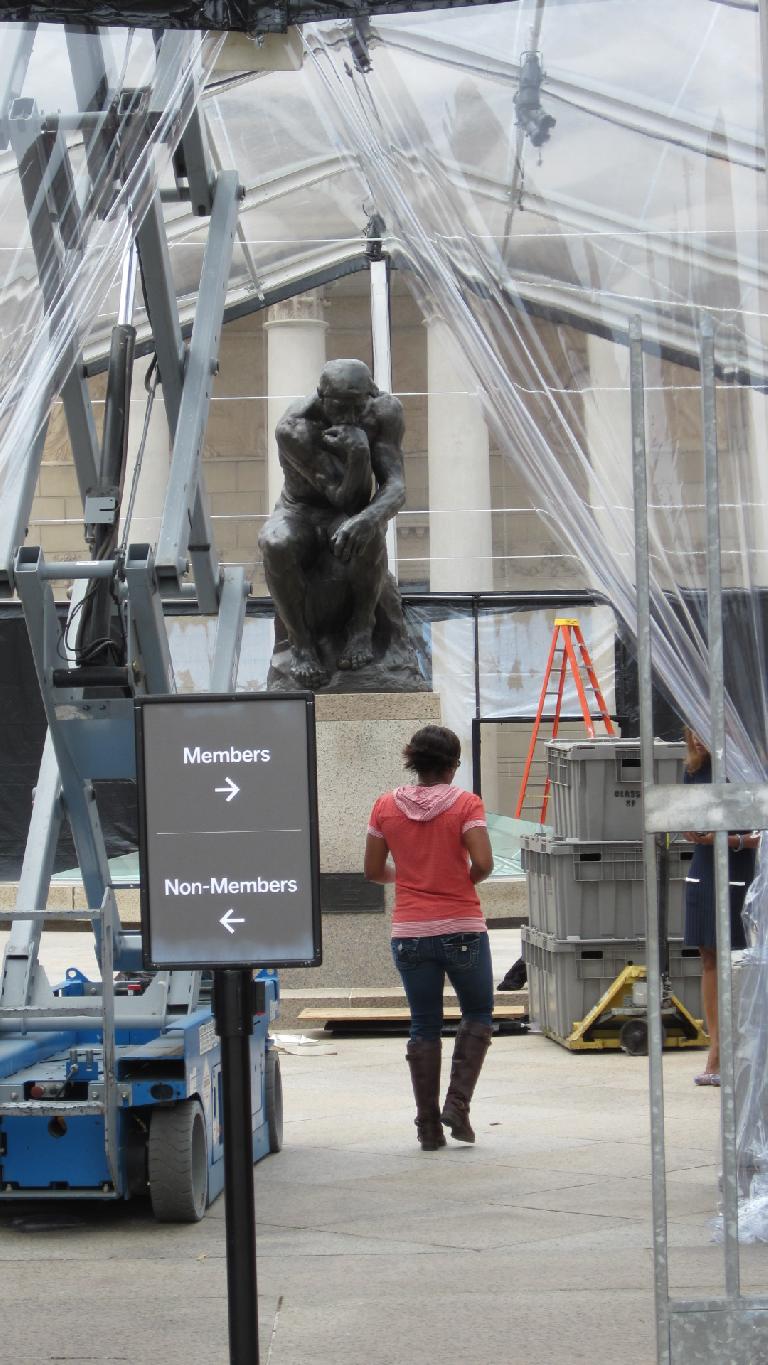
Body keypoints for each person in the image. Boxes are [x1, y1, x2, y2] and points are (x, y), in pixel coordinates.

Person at [364, 725, 495, 1151]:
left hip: (410, 931)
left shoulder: (385, 806)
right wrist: (459, 881)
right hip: (462, 926)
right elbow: (485, 862)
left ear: (413, 762)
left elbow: (371, 871)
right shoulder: (465, 803)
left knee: (424, 1024)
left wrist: (408, 878)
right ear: (453, 765)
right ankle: (457, 1105)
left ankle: (427, 1128)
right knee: (477, 1011)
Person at [258, 358, 406, 689]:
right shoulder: (295, 427)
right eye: (340, 407)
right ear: (322, 396)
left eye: (357, 406)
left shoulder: (385, 411)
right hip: (301, 510)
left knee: (366, 530)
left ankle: (361, 628)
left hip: (347, 510)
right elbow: (342, 497)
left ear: (372, 393)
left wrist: (370, 517)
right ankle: (301, 644)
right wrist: (358, 455)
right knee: (275, 542)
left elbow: (396, 485)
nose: (350, 417)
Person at [682, 726, 758, 1087]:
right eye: (691, 731)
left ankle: (740, 1047)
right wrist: (691, 830)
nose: (697, 738)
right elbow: (684, 814)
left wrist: (733, 840)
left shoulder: (748, 766)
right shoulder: (696, 770)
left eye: (703, 729)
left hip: (742, 867)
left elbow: (760, 831)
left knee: (741, 955)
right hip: (704, 865)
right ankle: (716, 1047)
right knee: (708, 954)